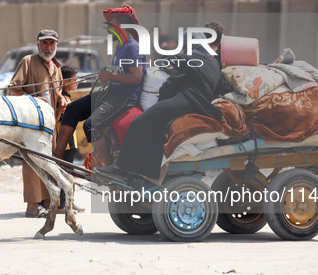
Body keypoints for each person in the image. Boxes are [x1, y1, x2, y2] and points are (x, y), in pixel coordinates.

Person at [95, 21, 231, 182]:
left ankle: (119, 168)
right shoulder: (213, 63)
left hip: (186, 101)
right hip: (203, 106)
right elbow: (223, 86)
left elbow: (171, 84)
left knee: (139, 122)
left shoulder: (187, 57)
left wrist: (161, 103)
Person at [54, 5, 145, 167]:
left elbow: (136, 77)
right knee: (73, 109)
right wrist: (108, 77)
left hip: (125, 98)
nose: (108, 29)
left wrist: (111, 76)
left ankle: (110, 168)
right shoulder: (120, 46)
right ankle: (58, 155)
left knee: (91, 125)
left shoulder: (133, 48)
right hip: (111, 93)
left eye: (110, 25)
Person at [8, 29, 67, 218]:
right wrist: (33, 100)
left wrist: (61, 99)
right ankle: (32, 206)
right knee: (33, 162)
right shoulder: (28, 61)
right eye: (45, 43)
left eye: (52, 44)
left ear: (56, 46)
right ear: (38, 45)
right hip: (31, 123)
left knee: (49, 161)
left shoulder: (57, 67)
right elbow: (14, 88)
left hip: (50, 122)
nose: (48, 47)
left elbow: (55, 91)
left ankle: (50, 203)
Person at [55, 65, 85, 213]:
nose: (77, 83)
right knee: (64, 173)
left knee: (70, 173)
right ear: (65, 81)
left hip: (71, 142)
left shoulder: (67, 97)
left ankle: (70, 202)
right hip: (64, 143)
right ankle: (62, 205)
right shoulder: (60, 99)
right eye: (74, 80)